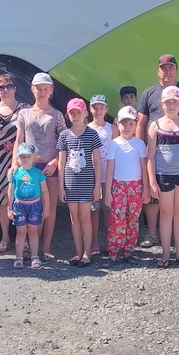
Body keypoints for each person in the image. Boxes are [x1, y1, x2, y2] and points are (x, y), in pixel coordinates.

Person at [137, 54, 179, 249]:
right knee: (154, 197)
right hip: (155, 154)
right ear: (158, 71)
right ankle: (152, 233)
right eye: (163, 68)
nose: (167, 71)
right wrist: (140, 150)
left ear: (177, 70)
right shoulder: (148, 93)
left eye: (171, 67)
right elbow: (141, 123)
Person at [13, 73, 66, 262]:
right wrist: (14, 164)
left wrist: (55, 163)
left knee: (48, 208)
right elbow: (19, 140)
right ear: (32, 89)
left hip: (49, 167)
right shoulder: (24, 113)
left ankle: (46, 247)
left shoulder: (57, 115)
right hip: (28, 166)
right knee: (27, 204)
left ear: (51, 91)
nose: (42, 92)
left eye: (46, 89)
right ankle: (29, 245)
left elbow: (64, 143)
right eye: (39, 88)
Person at [147, 86, 179, 268]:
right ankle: (165, 254)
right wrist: (152, 181)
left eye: (174, 102)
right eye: (167, 102)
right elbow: (150, 156)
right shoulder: (155, 126)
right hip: (164, 176)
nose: (171, 105)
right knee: (166, 213)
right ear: (162, 104)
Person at [0, 72, 29, 253]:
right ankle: (5, 238)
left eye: (9, 86)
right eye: (1, 87)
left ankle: (24, 239)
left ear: (15, 89)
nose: (6, 90)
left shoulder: (24, 109)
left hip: (20, 160)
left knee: (21, 199)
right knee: (3, 201)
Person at [103, 106, 149, 267]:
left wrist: (146, 190)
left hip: (136, 186)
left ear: (136, 124)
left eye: (131, 123)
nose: (127, 127)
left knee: (133, 219)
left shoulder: (139, 144)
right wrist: (107, 193)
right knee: (117, 219)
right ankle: (113, 251)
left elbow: (144, 168)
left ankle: (128, 251)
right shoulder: (114, 144)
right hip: (118, 186)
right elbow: (110, 169)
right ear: (118, 124)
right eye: (124, 123)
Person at [58, 98, 101, 266]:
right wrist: (61, 187)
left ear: (85, 114)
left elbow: (97, 162)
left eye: (78, 112)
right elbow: (61, 163)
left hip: (87, 182)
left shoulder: (92, 134)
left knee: (85, 217)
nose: (75, 116)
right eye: (72, 113)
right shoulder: (64, 135)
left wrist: (97, 187)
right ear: (67, 115)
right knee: (74, 218)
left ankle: (87, 253)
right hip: (70, 183)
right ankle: (77, 252)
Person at [7, 142, 49, 269]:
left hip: (35, 206)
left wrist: (47, 207)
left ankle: (34, 256)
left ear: (34, 158)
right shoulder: (15, 173)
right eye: (22, 156)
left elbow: (45, 191)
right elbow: (10, 191)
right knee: (20, 231)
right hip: (19, 206)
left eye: (28, 156)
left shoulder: (38, 173)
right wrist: (9, 208)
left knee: (33, 231)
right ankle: (19, 257)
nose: (25, 159)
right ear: (18, 158)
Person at [88, 94, 118, 257]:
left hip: (108, 174)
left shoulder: (112, 129)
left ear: (106, 109)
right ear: (90, 109)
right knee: (93, 210)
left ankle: (110, 241)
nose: (98, 111)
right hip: (91, 175)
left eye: (101, 108)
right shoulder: (87, 128)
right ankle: (94, 243)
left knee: (108, 209)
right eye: (95, 108)